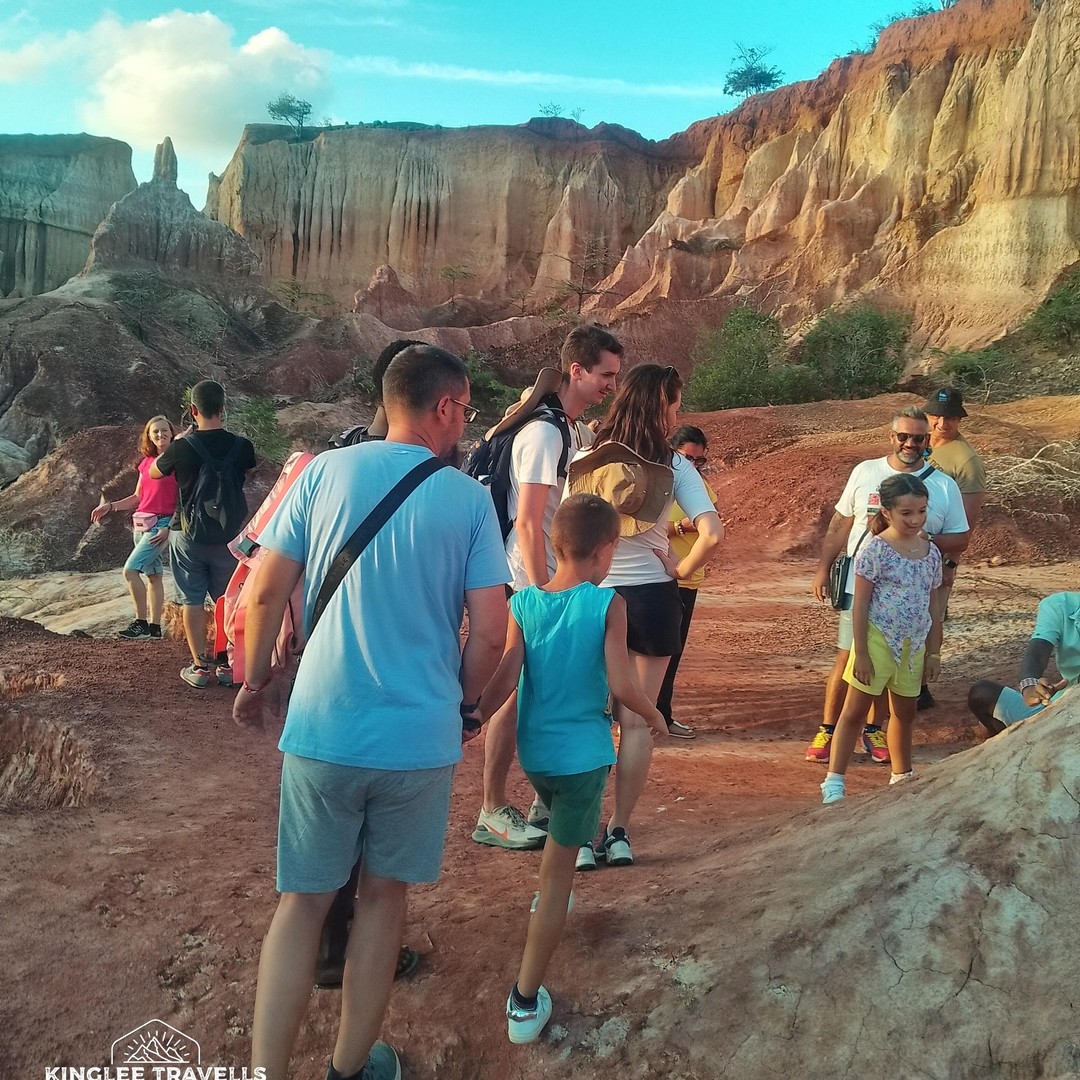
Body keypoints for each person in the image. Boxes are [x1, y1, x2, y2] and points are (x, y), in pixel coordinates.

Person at [232, 343, 509, 1080]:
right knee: (383, 901)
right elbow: (490, 633)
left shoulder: (322, 472)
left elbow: (265, 591)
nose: (464, 421)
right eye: (465, 409)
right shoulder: (469, 500)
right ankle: (349, 1067)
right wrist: (464, 706)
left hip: (322, 729)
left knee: (302, 905)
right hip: (418, 740)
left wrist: (255, 681)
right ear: (444, 407)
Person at [479, 494, 667, 1044]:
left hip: (536, 759)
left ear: (556, 545)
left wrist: (472, 715)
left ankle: (554, 891)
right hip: (583, 761)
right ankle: (524, 1001)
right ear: (606, 550)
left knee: (559, 837)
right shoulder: (608, 604)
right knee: (556, 878)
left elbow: (506, 675)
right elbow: (622, 684)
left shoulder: (524, 603)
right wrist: (654, 714)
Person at [567, 364, 724, 869]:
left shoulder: (587, 458)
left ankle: (582, 833)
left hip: (594, 596)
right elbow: (712, 533)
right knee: (635, 724)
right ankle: (619, 832)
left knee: (588, 718)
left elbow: (567, 532)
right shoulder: (675, 465)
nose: (677, 416)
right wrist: (680, 568)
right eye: (674, 406)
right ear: (661, 407)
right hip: (654, 597)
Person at [474, 324, 622, 851]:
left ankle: (540, 800)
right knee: (515, 695)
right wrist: (543, 592)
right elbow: (529, 520)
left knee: (534, 689)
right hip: (526, 580)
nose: (611, 385)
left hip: (536, 580)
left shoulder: (562, 428)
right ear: (576, 370)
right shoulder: (546, 434)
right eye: (605, 374)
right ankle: (492, 809)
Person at [806, 406, 969, 766]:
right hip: (861, 582)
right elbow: (841, 522)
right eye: (904, 436)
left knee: (891, 660)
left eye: (919, 438)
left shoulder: (943, 485)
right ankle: (829, 729)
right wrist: (823, 568)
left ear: (928, 440)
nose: (911, 443)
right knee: (850, 655)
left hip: (911, 589)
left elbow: (962, 536)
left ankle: (874, 729)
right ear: (891, 436)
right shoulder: (865, 471)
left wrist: (922, 543)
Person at [820, 473, 943, 804]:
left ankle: (901, 776)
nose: (915, 520)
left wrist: (933, 652)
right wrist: (860, 652)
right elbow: (860, 604)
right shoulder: (875, 550)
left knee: (904, 713)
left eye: (921, 511)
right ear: (887, 512)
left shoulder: (931, 553)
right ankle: (834, 781)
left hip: (913, 646)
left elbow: (933, 605)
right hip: (878, 641)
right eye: (907, 513)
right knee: (854, 712)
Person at [152, 380, 256, 689]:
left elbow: (155, 471)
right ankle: (227, 665)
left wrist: (178, 442)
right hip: (229, 538)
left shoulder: (181, 447)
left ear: (193, 410)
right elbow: (247, 473)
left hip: (188, 536)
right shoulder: (242, 446)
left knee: (192, 601)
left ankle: (199, 668)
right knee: (227, 600)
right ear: (223, 409)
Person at [920, 386, 987, 709]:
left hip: (937, 554)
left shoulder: (967, 461)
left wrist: (949, 565)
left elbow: (965, 525)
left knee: (930, 618)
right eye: (936, 416)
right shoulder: (918, 444)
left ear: (960, 420)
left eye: (950, 418)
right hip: (903, 550)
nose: (942, 424)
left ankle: (919, 688)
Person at [657, 424, 722, 739]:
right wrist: (682, 527)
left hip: (688, 580)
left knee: (673, 652)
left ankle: (662, 715)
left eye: (700, 460)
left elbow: (714, 522)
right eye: (687, 457)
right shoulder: (658, 482)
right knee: (651, 652)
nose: (693, 464)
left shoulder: (700, 487)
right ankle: (635, 718)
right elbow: (641, 528)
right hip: (662, 576)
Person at [90, 415, 178, 640]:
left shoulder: (177, 461)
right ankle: (155, 628)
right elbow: (137, 496)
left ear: (171, 432)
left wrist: (169, 527)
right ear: (149, 436)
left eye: (164, 430)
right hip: (141, 524)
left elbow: (184, 499)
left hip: (160, 525)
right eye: (155, 431)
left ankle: (140, 623)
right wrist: (110, 506)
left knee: (130, 571)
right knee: (154, 576)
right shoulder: (146, 462)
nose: (160, 434)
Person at [967, 592, 1079, 735]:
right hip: (1061, 703)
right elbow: (1039, 648)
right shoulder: (1060, 605)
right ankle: (1013, 739)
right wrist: (1029, 686)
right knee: (982, 693)